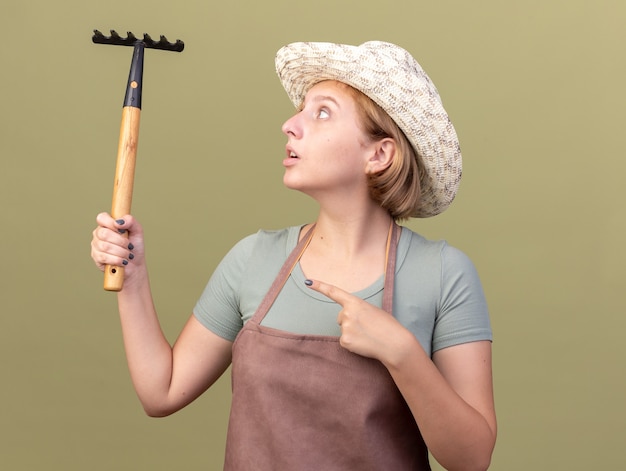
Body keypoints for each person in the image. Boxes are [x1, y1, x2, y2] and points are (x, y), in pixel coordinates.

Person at [91, 41, 496, 470]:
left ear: (378, 154)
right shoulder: (253, 259)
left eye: (321, 112)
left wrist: (402, 352)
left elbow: (471, 458)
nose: (290, 125)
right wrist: (131, 278)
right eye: (301, 109)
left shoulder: (443, 274)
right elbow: (163, 391)